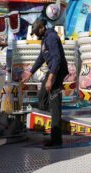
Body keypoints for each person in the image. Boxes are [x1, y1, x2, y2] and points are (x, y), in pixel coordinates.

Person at [20, 18, 69, 149]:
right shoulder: (45, 39)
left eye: (36, 31)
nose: (35, 34)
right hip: (52, 70)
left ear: (42, 28)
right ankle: (53, 116)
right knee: (42, 97)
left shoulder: (52, 37)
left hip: (57, 71)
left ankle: (56, 140)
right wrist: (30, 73)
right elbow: (41, 58)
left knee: (54, 102)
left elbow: (57, 58)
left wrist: (51, 78)